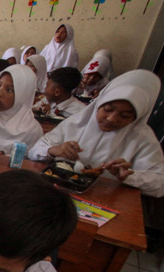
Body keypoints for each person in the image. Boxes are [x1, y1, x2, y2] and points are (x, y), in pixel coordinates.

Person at [28, 70, 164, 198]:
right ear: (98, 104)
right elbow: (34, 151)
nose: (111, 119)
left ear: (136, 118)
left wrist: (130, 176)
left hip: (105, 199)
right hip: (58, 191)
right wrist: (53, 150)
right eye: (108, 109)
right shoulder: (76, 123)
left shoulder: (143, 138)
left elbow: (160, 185)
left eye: (124, 115)